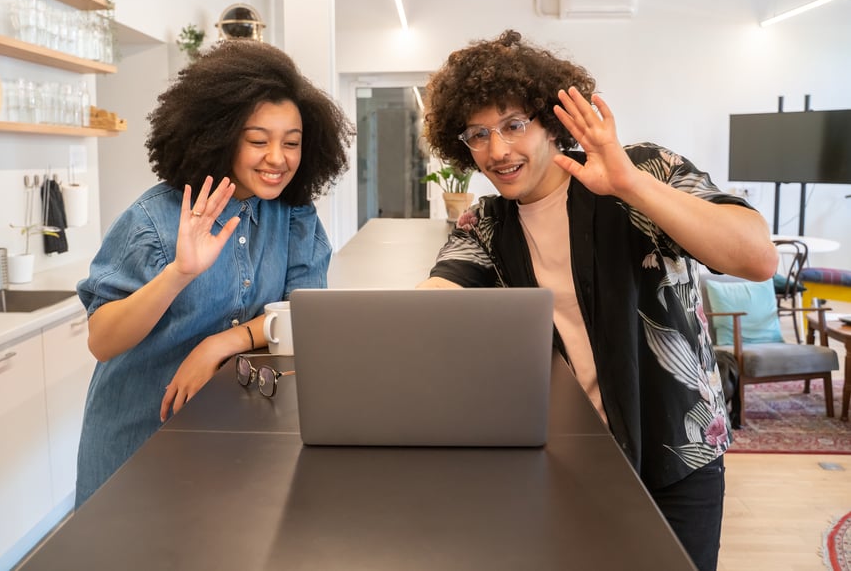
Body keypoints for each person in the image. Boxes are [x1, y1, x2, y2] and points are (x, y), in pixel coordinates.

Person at [417, 30, 777, 571]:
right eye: (478, 135)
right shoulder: (486, 226)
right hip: (564, 460)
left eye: (514, 125)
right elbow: (433, 301)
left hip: (677, 452)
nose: (498, 150)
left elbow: (757, 258)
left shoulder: (643, 169)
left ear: (550, 121)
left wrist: (630, 185)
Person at [74, 39, 352, 506]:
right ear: (220, 136)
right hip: (139, 438)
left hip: (236, 437)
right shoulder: (153, 220)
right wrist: (179, 273)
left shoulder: (294, 216)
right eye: (258, 141)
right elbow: (102, 340)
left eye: (291, 143)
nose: (278, 158)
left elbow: (306, 316)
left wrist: (221, 342)